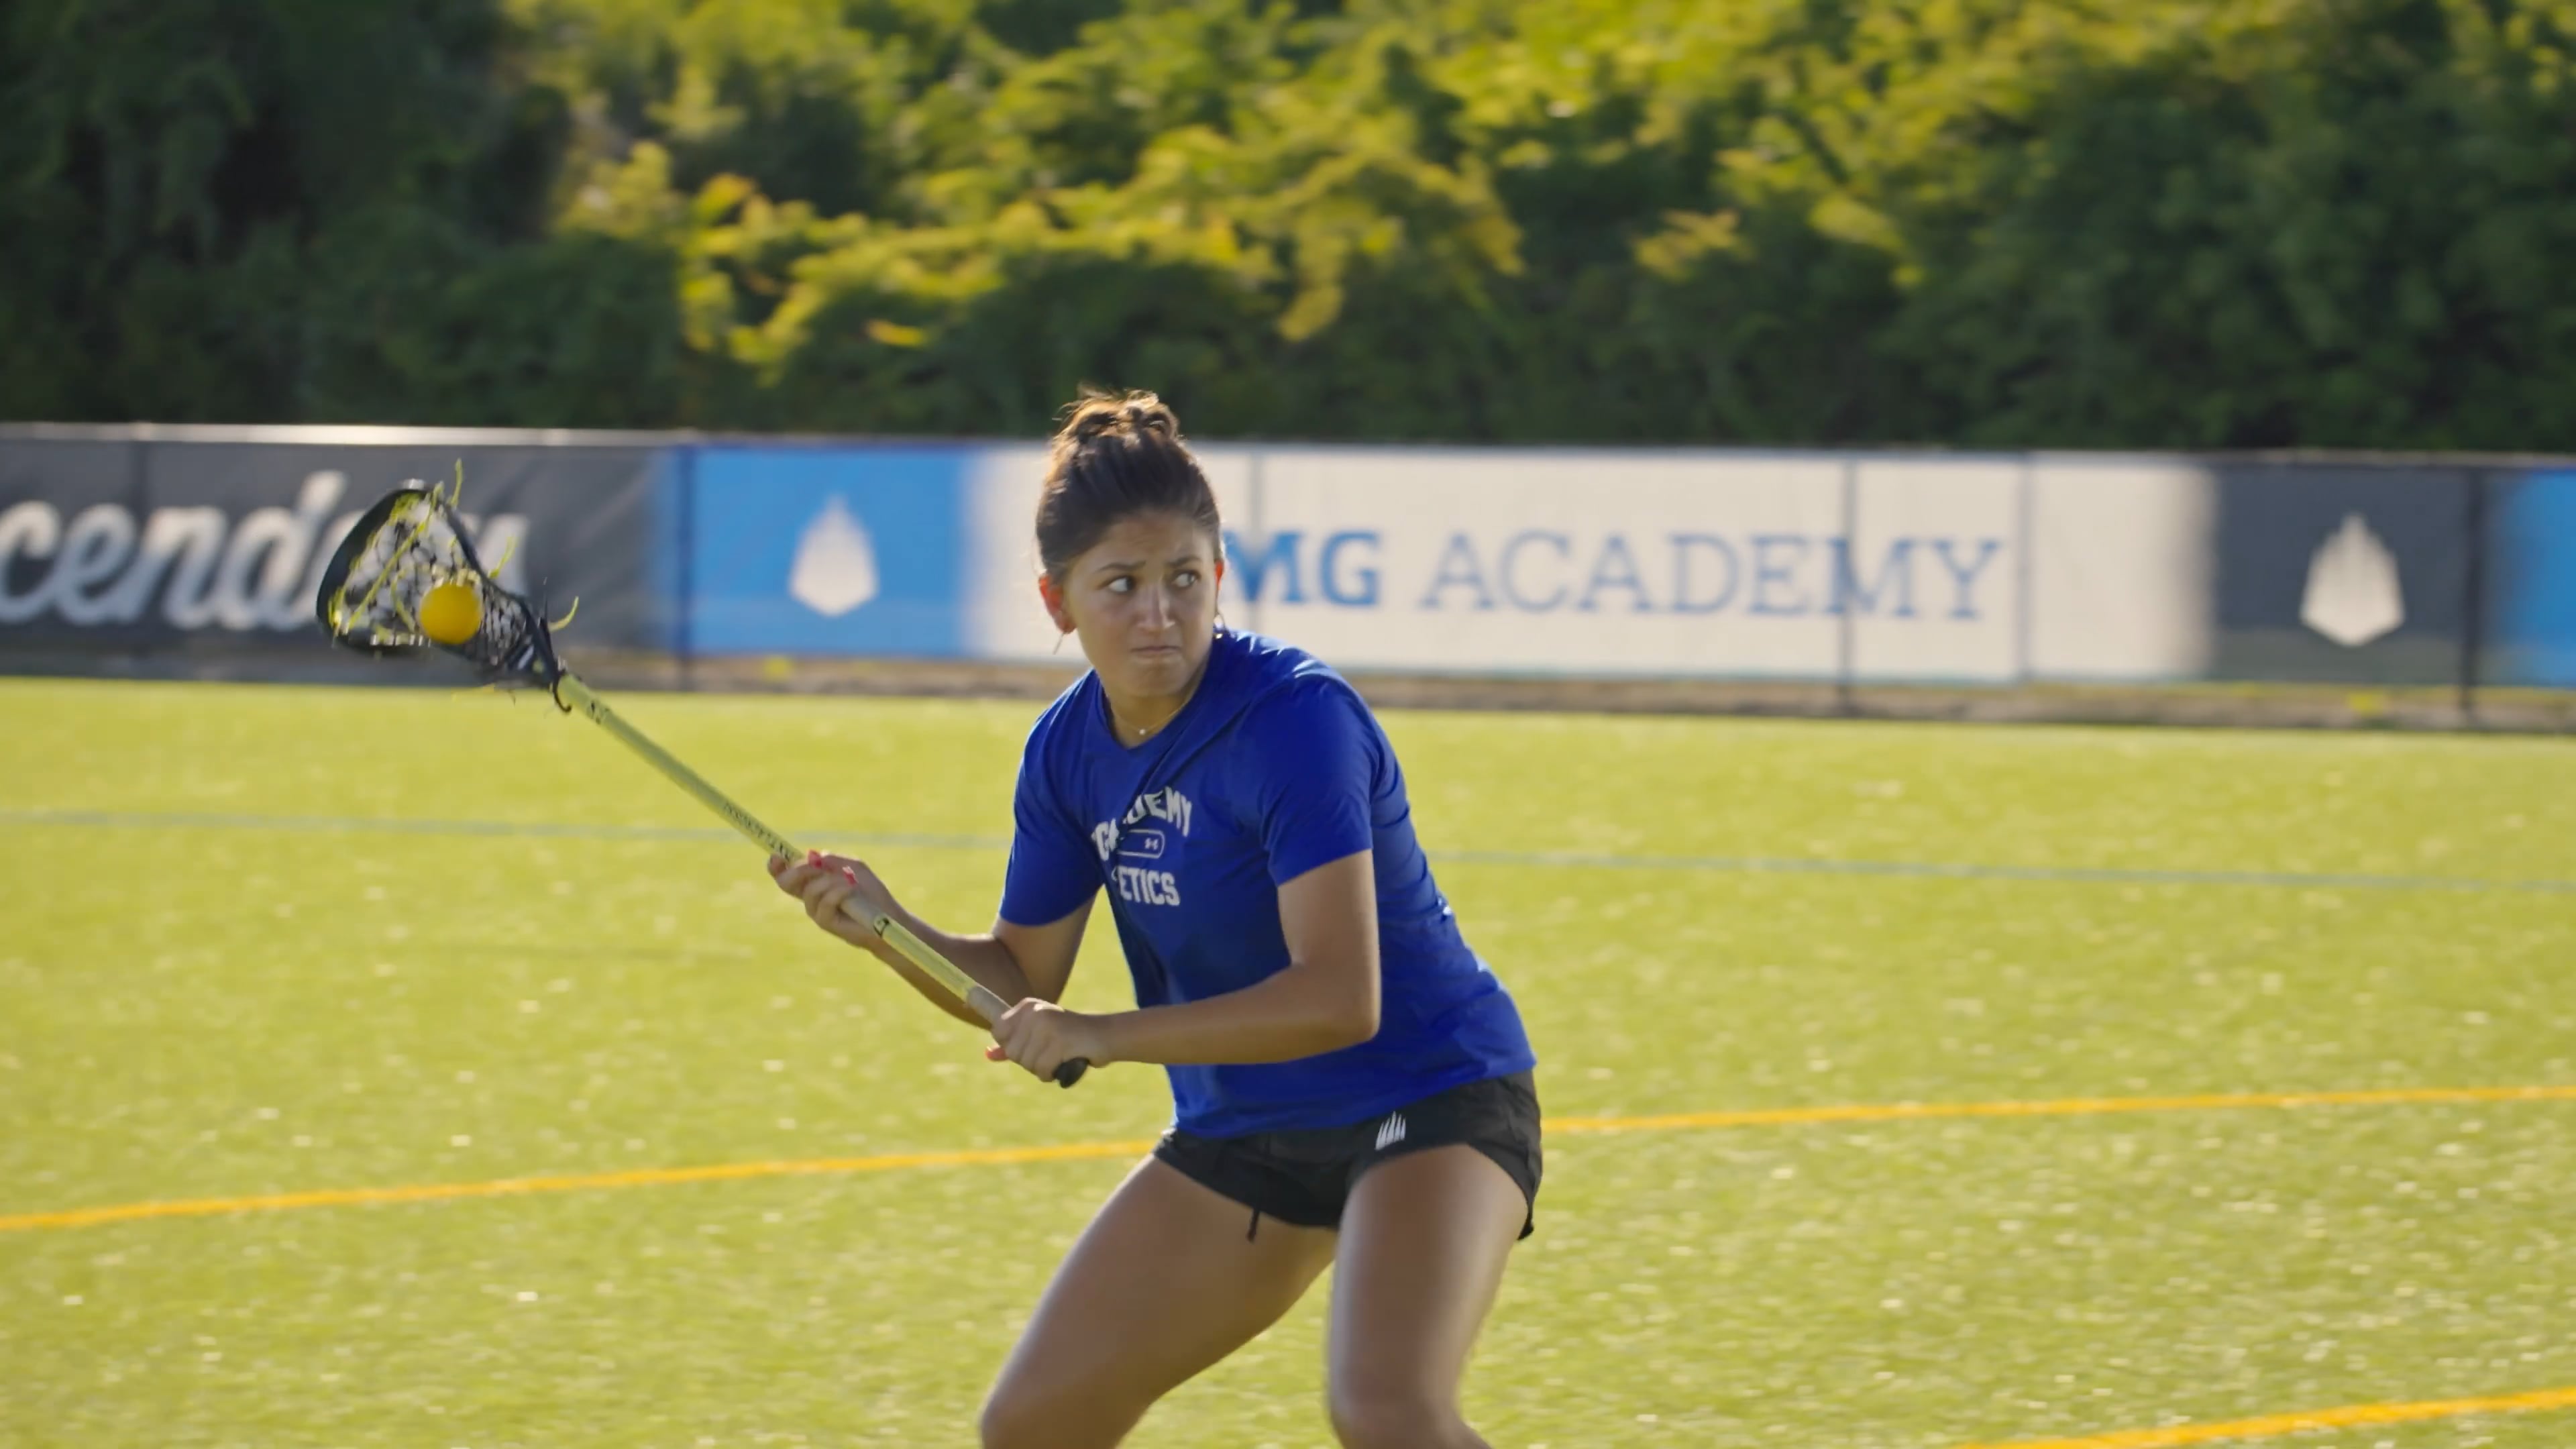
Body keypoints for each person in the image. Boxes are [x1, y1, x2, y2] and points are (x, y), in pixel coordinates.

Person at [767, 390, 1540, 1449]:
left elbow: (1339, 998)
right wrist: (888, 929)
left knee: (1385, 1409)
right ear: (1058, 601)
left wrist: (1101, 1034)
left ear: (1220, 574)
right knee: (1036, 1422)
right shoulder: (1064, 752)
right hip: (1247, 1131)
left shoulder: (1296, 720)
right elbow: (1018, 976)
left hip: (1430, 1095)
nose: (1159, 614)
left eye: (1184, 578)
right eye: (1121, 585)